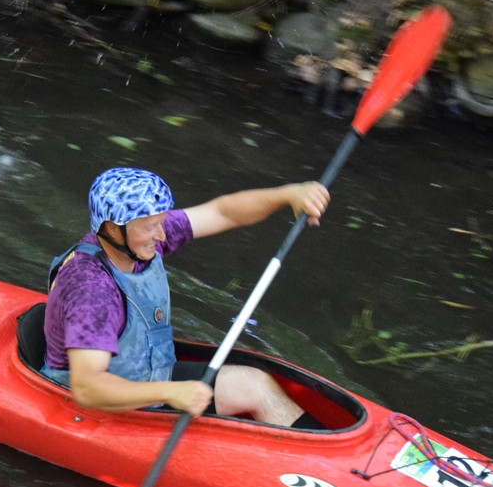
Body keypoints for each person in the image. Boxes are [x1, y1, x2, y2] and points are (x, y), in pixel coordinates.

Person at [42, 166, 329, 428]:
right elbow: (87, 388)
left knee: (256, 385)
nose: (162, 235)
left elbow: (223, 212)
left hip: (146, 379)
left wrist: (288, 195)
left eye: (161, 223)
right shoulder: (92, 289)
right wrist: (172, 392)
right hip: (94, 405)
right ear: (112, 229)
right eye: (150, 227)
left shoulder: (139, 238)